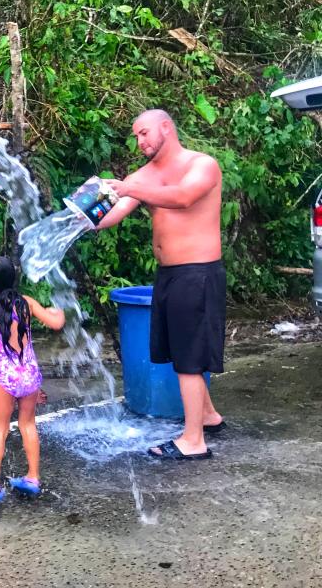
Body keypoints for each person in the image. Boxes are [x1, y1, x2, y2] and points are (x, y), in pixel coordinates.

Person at [100, 109, 226, 460]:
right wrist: (82, 217)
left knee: (189, 357)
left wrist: (131, 186)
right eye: (136, 136)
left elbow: (183, 197)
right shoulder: (143, 176)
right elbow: (114, 213)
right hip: (169, 275)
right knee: (179, 351)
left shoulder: (201, 165)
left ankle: (193, 442)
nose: (140, 142)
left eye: (144, 133)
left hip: (198, 271)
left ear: (166, 128)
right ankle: (208, 416)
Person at [0, 255, 65, 504]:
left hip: (5, 375)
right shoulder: (26, 303)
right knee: (28, 425)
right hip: (30, 374)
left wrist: (0, 357)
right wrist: (60, 309)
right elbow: (56, 322)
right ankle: (33, 478)